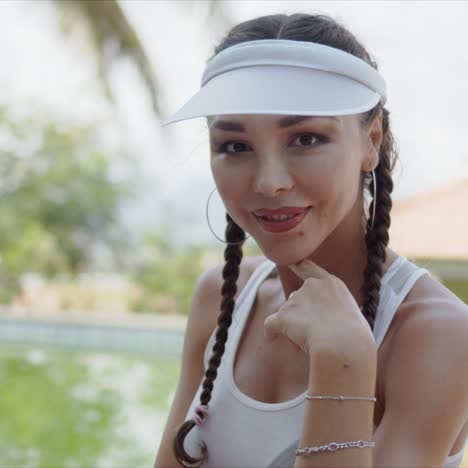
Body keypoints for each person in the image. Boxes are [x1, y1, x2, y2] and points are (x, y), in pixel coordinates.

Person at [154, 12, 468, 468]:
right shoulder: (223, 297)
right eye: (235, 146)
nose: (269, 182)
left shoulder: (436, 334)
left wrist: (345, 363)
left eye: (305, 138)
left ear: (372, 141)